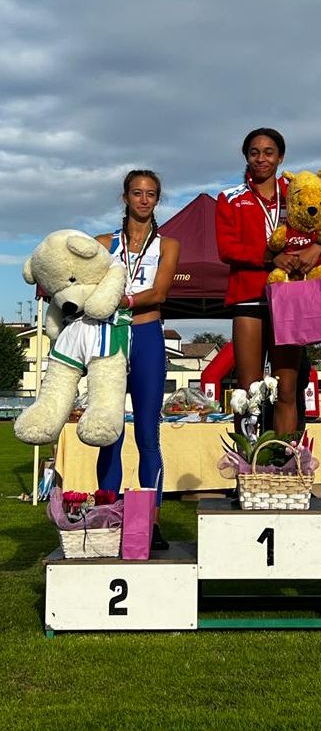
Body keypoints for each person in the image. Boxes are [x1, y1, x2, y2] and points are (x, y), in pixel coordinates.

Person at [216, 128, 321, 434]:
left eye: (269, 152)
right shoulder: (230, 198)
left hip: (291, 296)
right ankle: (248, 462)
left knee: (287, 388)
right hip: (249, 296)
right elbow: (227, 248)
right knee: (249, 391)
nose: (261, 158)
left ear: (281, 157)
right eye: (254, 152)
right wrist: (269, 257)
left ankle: (283, 460)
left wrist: (317, 248)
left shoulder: (298, 191)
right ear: (246, 156)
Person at [95, 169, 180, 548]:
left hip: (147, 337)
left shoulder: (168, 245)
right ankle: (106, 517)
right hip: (111, 340)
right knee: (109, 433)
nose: (144, 200)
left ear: (157, 200)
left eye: (151, 194)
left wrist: (120, 300)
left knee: (147, 434)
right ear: (125, 197)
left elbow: (159, 293)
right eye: (137, 193)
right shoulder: (103, 244)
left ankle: (151, 523)